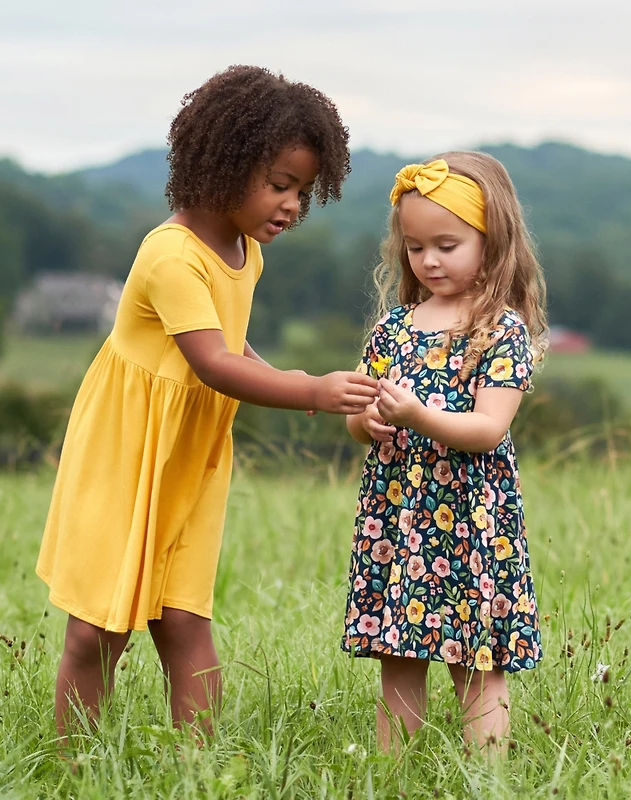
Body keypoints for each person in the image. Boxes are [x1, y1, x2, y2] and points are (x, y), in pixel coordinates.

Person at [36, 65, 378, 739]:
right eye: (279, 185)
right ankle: (70, 767)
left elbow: (231, 343)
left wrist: (281, 377)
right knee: (97, 629)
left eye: (303, 192)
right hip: (129, 447)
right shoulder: (171, 257)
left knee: (184, 616)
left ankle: (206, 769)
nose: (292, 206)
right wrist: (309, 388)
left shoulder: (245, 249)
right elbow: (212, 363)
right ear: (224, 165)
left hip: (187, 454)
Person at [342, 152, 548, 755]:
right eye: (414, 247)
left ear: (492, 241)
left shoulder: (498, 329)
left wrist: (417, 416)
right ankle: (391, 772)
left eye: (447, 245)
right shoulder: (394, 328)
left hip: (470, 524)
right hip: (399, 521)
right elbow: (360, 412)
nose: (428, 260)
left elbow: (489, 428)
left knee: (478, 660)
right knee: (398, 655)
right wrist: (366, 421)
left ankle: (487, 775)